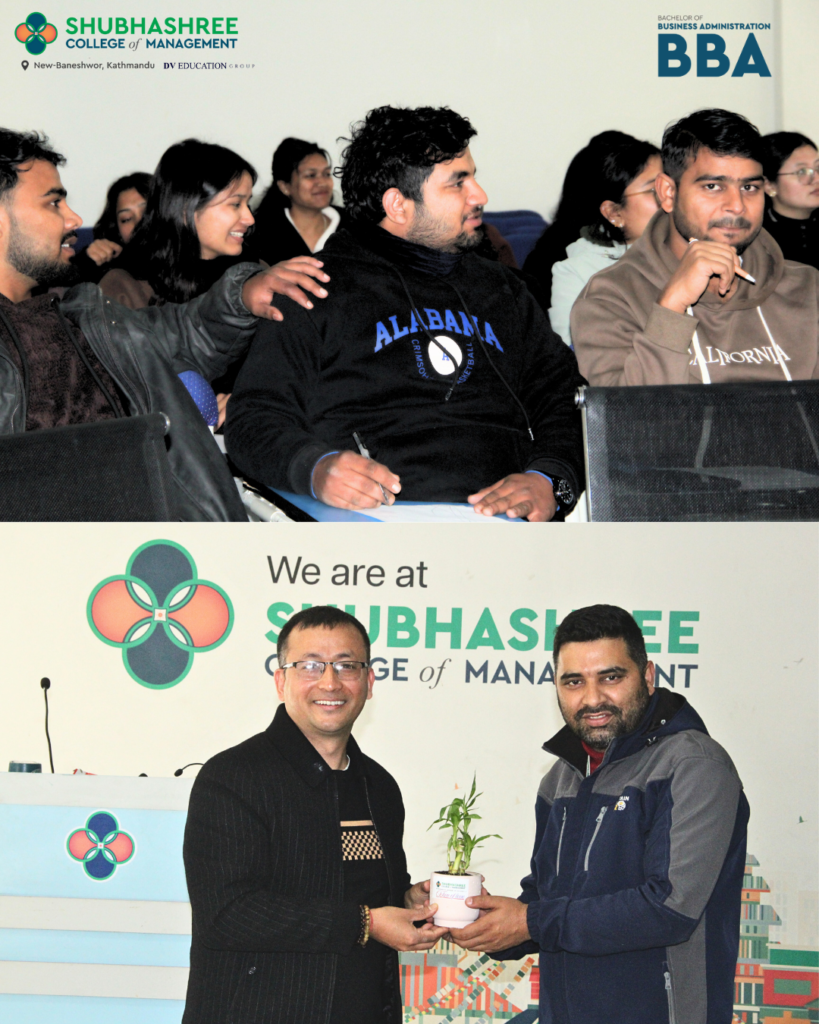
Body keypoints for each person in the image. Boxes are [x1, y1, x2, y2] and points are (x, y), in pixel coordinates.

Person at [226, 105, 586, 521]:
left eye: (473, 177)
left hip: (506, 524)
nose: (480, 196)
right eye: (458, 183)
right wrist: (315, 468)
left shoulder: (504, 290)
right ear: (398, 205)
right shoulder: (314, 289)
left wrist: (549, 478)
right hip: (374, 525)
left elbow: (568, 400)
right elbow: (254, 418)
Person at [0, 128, 329, 521]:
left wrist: (243, 294)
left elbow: (185, 331)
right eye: (53, 203)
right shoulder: (118, 286)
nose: (75, 219)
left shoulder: (79, 317)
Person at [448, 604, 749, 1024]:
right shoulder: (561, 777)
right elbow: (547, 901)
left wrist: (530, 922)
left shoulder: (693, 764)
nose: (592, 699)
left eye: (611, 677)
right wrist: (482, 923)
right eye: (574, 681)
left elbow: (669, 908)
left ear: (647, 676)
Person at [182, 606, 447, 1024]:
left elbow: (354, 892)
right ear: (280, 680)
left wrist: (407, 901)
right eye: (310, 665)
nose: (330, 682)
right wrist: (367, 923)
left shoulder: (378, 786)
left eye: (346, 665)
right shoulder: (233, 777)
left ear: (369, 682)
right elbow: (227, 913)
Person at [571, 108, 819, 385]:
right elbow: (625, 411)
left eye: (749, 188)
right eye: (713, 186)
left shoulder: (807, 288)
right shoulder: (611, 297)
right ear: (668, 193)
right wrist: (672, 307)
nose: (737, 206)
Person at [523, 131, 661, 346]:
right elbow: (574, 355)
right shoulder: (576, 271)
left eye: (673, 185)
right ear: (614, 212)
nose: (670, 198)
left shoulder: (698, 247)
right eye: (654, 190)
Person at [99, 139, 258, 310]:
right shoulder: (125, 287)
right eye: (235, 204)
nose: (249, 219)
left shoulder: (254, 273)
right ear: (186, 208)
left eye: (247, 203)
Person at [247, 137, 349, 266]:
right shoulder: (262, 234)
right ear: (285, 186)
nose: (322, 183)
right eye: (311, 175)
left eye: (327, 174)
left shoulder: (352, 225)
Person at [71, 171, 151, 283]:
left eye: (147, 212)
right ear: (117, 231)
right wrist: (86, 263)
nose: (138, 222)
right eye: (126, 219)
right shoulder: (112, 271)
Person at [760, 131, 819, 270]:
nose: (816, 179)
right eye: (802, 172)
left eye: (818, 168)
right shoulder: (758, 239)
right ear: (769, 185)